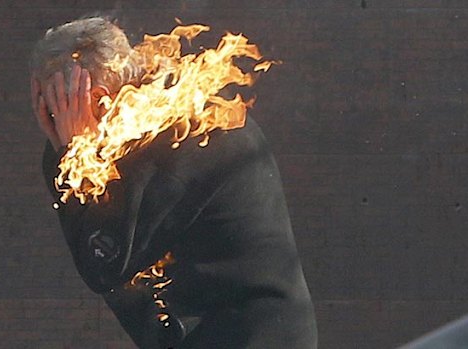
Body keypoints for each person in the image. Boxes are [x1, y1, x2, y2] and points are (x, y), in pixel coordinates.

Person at [30, 16, 318, 348]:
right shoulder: (122, 139)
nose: (52, 124)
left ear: (94, 98)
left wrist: (73, 154)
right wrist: (68, 157)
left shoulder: (185, 136)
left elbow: (103, 264)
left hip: (250, 336)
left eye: (54, 109)